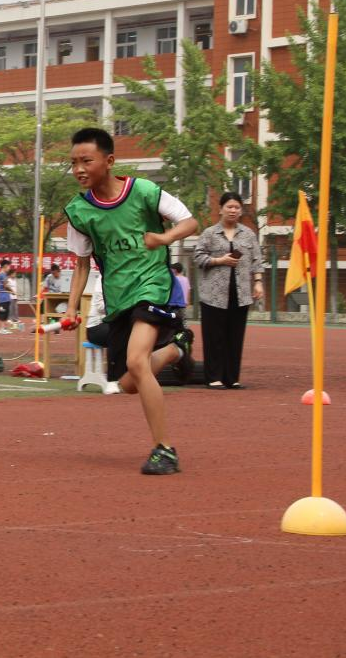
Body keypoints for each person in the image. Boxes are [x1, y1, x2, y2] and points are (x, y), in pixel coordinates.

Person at [62, 127, 197, 476]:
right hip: (118, 296)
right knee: (126, 383)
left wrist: (164, 237)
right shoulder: (78, 212)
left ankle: (164, 450)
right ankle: (175, 350)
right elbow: (80, 265)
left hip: (154, 285)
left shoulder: (144, 192)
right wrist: (73, 308)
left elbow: (190, 221)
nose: (78, 169)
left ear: (108, 161)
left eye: (86, 161)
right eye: (73, 162)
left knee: (137, 361)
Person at [193, 192, 263, 389]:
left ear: (241, 211)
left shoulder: (248, 234)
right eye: (229, 207)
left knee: (235, 337)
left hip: (240, 294)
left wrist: (258, 282)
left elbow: (257, 261)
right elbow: (198, 257)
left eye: (237, 207)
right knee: (214, 336)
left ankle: (232, 377)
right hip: (213, 294)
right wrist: (219, 260)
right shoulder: (209, 233)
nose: (233, 210)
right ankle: (214, 377)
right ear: (220, 209)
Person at [0, 259, 17, 334]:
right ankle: (2, 328)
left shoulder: (1, 274)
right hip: (3, 297)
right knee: (3, 312)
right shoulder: (2, 274)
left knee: (5, 312)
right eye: (9, 266)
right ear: (5, 266)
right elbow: (5, 286)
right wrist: (12, 291)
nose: (9, 268)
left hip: (5, 296)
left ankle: (4, 328)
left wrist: (10, 291)